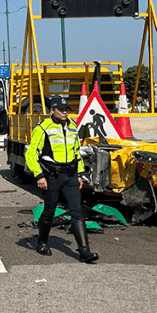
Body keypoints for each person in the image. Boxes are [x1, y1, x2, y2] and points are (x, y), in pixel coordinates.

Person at [25, 96, 97, 262]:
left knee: (76, 211)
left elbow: (76, 153)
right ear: (52, 111)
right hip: (51, 176)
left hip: (70, 176)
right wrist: (39, 175)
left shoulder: (72, 126)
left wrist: (79, 174)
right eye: (61, 110)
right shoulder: (43, 127)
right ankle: (42, 243)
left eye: (67, 110)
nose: (65, 112)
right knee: (49, 210)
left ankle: (84, 252)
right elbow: (31, 153)